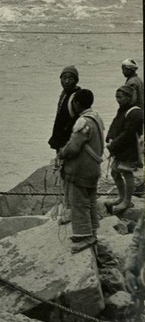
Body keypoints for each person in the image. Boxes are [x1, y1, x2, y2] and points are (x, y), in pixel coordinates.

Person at [57, 89, 105, 254]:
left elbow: (73, 147)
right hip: (93, 168)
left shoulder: (82, 122)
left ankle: (84, 235)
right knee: (90, 201)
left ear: (77, 103)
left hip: (81, 170)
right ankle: (92, 231)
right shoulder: (96, 118)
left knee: (79, 202)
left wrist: (62, 154)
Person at [105, 84, 144, 215]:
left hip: (130, 149)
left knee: (127, 173)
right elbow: (114, 125)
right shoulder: (122, 109)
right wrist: (109, 137)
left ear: (129, 97)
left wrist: (114, 144)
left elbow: (128, 134)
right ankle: (121, 197)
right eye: (116, 97)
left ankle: (127, 200)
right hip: (120, 148)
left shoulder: (135, 112)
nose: (118, 100)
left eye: (120, 97)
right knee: (115, 173)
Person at [48, 66, 81, 151]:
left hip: (68, 143)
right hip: (61, 141)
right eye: (64, 78)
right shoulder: (64, 94)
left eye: (70, 78)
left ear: (76, 80)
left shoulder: (77, 97)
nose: (67, 81)